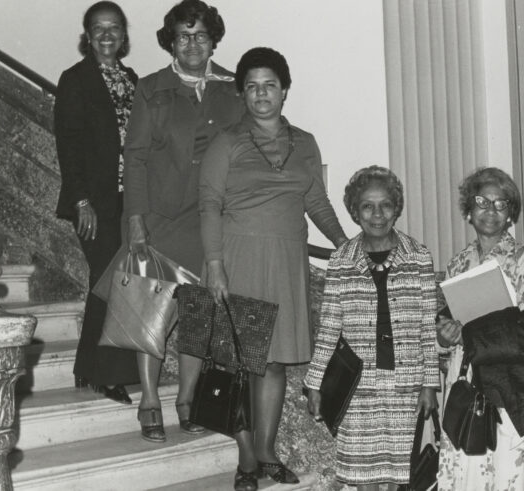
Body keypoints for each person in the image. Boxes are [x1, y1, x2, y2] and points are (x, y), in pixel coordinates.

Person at [200, 47, 348, 491]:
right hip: (239, 258)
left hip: (287, 261)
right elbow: (209, 205)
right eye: (251, 86)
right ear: (242, 94)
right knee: (241, 364)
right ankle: (246, 457)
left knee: (276, 364)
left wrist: (344, 244)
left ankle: (267, 452)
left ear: (284, 90)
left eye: (269, 85)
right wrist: (215, 265)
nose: (261, 93)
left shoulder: (305, 142)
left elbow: (316, 200)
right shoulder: (225, 142)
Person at [123, 0, 244, 443]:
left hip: (209, 218)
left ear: (213, 39)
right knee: (150, 311)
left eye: (200, 35)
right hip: (157, 215)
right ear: (170, 41)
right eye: (183, 35)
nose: (192, 44)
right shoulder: (151, 88)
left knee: (199, 314)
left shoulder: (233, 86)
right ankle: (150, 399)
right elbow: (134, 157)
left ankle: (187, 398)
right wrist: (136, 219)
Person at [303, 166, 438, 490]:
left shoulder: (418, 257)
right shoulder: (341, 260)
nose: (377, 214)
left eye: (385, 205)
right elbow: (329, 328)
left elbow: (427, 328)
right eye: (367, 206)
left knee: (398, 478)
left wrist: (430, 384)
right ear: (355, 211)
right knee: (364, 479)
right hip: (358, 388)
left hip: (405, 385)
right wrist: (314, 382)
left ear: (396, 208)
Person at [436, 167, 524, 490]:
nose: (491, 211)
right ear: (469, 209)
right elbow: (446, 325)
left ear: (510, 213)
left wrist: (474, 328)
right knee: (466, 462)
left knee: (508, 469)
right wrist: (445, 336)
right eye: (483, 202)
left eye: (501, 205)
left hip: (509, 375)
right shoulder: (458, 263)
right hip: (466, 375)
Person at [54, 1, 139, 404]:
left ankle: (88, 367)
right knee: (108, 279)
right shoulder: (75, 79)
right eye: (98, 28)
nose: (107, 35)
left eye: (114, 28)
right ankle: (106, 373)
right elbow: (67, 144)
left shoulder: (132, 79)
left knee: (115, 281)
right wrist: (81, 199)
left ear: (123, 35)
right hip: (94, 201)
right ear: (87, 35)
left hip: (128, 199)